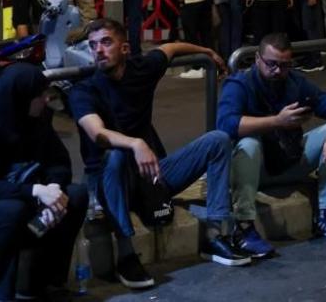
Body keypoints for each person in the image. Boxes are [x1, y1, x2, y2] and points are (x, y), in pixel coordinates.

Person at [69, 19, 248, 287]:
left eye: (106, 42)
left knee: (218, 140)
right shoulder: (85, 88)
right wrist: (135, 143)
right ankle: (127, 256)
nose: (98, 51)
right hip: (108, 179)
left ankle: (215, 236)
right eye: (93, 45)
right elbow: (98, 134)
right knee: (116, 155)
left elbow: (172, 47)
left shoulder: (143, 68)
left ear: (126, 48)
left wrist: (207, 51)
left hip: (149, 174)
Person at [0, 63, 87, 302]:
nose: (46, 99)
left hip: (26, 209)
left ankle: (42, 282)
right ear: (21, 96)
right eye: (40, 95)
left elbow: (58, 162)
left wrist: (54, 191)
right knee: (11, 209)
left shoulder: (35, 117)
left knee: (77, 195)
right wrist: (35, 191)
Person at [217, 33, 326, 257]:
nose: (278, 71)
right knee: (248, 144)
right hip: (252, 171)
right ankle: (243, 227)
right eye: (272, 64)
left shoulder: (295, 83)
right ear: (258, 59)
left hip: (289, 159)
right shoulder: (240, 84)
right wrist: (277, 121)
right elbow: (225, 124)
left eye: (284, 65)